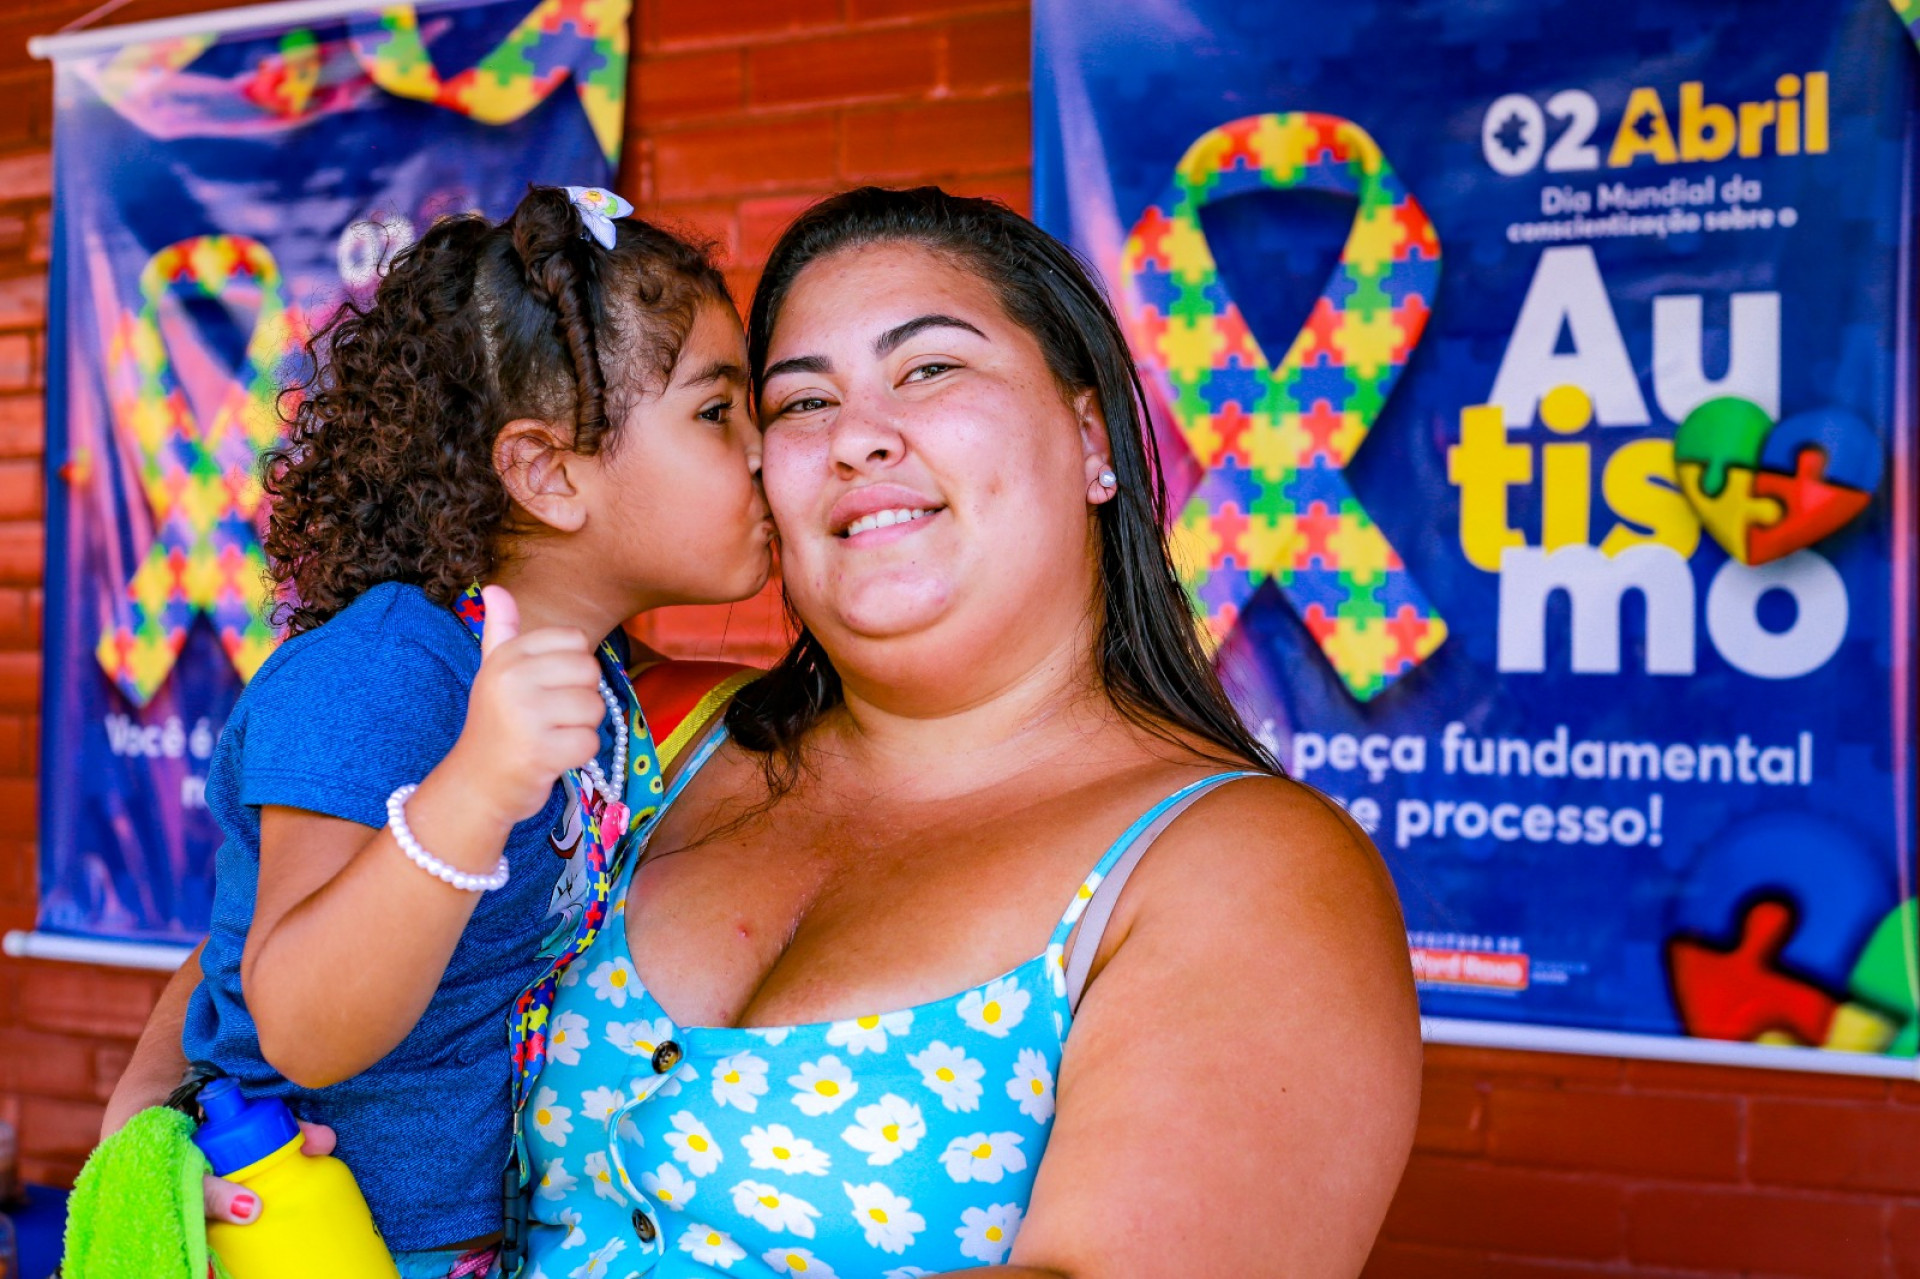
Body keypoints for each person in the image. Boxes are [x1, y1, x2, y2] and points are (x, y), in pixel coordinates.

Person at [515, 186, 1420, 1278]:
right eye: (799, 402)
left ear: (1093, 437)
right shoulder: (641, 740)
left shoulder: (1247, 868)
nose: (855, 436)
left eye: (930, 368)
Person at [100, 185, 772, 1279]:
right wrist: (476, 787)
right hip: (319, 1240)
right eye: (716, 411)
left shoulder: (585, 682)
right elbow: (299, 1024)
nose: (762, 452)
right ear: (549, 473)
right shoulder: (387, 672)